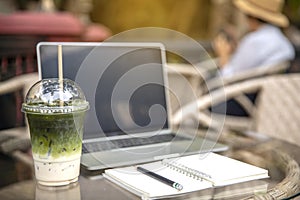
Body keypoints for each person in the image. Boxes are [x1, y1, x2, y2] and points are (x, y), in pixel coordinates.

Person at [213, 0, 295, 77]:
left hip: (241, 90)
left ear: (252, 16)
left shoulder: (254, 41)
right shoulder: (282, 41)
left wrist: (223, 55)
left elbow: (228, 77)